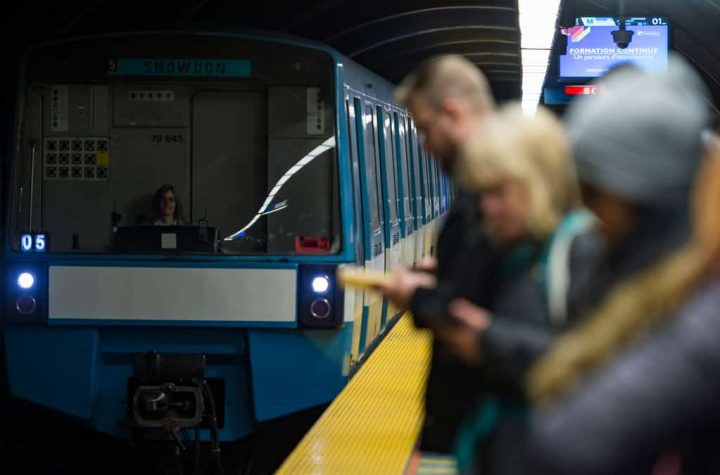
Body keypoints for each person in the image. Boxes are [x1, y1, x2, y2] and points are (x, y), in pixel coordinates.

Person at [527, 56, 717, 475]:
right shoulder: (662, 286)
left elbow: (573, 443)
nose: (593, 221)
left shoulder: (702, 314)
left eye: (597, 197)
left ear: (641, 201)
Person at [433, 104, 600, 474]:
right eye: (481, 193)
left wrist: (487, 340)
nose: (487, 208)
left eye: (498, 192)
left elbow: (595, 367)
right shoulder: (520, 253)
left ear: (538, 182)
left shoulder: (581, 251)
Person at [378, 54, 498, 453]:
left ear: (451, 113)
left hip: (480, 425)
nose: (426, 147)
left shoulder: (492, 191)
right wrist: (445, 270)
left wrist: (416, 296)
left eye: (426, 130)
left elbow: (475, 315)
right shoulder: (484, 184)